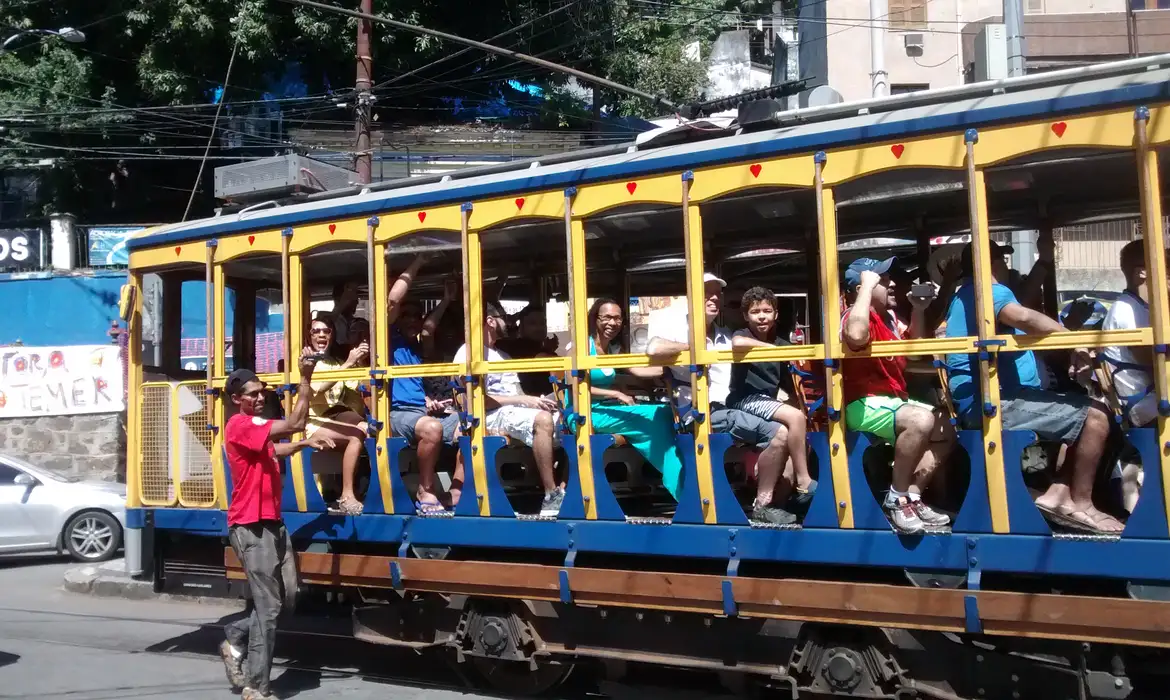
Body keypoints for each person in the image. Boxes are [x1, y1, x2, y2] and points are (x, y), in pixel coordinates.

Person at [943, 243, 1123, 534]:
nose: (1005, 266)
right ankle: (1081, 503)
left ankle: (1058, 495)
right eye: (1001, 259)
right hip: (994, 402)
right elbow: (1023, 317)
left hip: (995, 398)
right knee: (1096, 417)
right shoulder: (988, 291)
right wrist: (1071, 340)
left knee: (1086, 409)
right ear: (992, 263)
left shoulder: (964, 296)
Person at [220, 351, 332, 700]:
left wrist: (302, 444)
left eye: (260, 392)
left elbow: (274, 449)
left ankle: (236, 637)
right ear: (237, 399)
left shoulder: (256, 432)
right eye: (252, 393)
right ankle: (257, 686)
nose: (259, 397)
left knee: (288, 597)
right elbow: (296, 421)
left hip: (272, 523)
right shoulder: (240, 424)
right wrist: (305, 377)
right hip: (250, 526)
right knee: (268, 609)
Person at [647, 272, 799, 525]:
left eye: (717, 294)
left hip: (729, 408)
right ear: (691, 297)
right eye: (707, 293)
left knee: (792, 431)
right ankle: (764, 503)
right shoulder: (678, 329)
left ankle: (779, 497)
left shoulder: (723, 334)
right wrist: (693, 348)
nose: (714, 299)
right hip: (699, 411)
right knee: (780, 433)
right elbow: (653, 348)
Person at [841, 258, 954, 534]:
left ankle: (910, 497)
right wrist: (867, 287)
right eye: (882, 280)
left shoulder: (889, 319)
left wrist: (917, 310)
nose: (891, 284)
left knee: (945, 425)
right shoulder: (853, 316)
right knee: (920, 420)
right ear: (861, 287)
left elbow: (913, 352)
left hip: (890, 401)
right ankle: (895, 498)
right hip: (861, 403)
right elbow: (855, 335)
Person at [453, 301, 564, 516]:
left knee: (570, 419)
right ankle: (552, 494)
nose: (510, 322)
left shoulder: (503, 355)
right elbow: (472, 400)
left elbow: (518, 394)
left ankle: (568, 486)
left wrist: (539, 400)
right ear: (491, 321)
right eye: (505, 317)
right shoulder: (468, 352)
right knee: (541, 420)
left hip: (510, 412)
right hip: (487, 415)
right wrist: (525, 401)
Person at [585, 298, 685, 497]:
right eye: (606, 318)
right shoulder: (581, 347)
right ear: (595, 319)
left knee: (666, 413)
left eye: (617, 318)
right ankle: (677, 483)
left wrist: (672, 369)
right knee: (656, 416)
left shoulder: (612, 349)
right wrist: (615, 393)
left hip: (608, 409)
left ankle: (677, 475)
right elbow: (574, 386)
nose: (612, 323)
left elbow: (638, 370)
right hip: (586, 412)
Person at [386, 256, 463, 513]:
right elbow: (392, 301)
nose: (412, 321)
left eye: (416, 316)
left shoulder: (416, 347)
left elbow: (428, 328)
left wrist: (447, 300)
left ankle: (457, 489)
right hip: (397, 414)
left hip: (420, 410)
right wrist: (419, 260)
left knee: (471, 424)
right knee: (432, 429)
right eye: (406, 316)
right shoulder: (388, 340)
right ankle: (425, 489)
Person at [728, 286, 815, 496]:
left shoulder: (780, 342)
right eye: (755, 312)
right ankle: (805, 479)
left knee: (801, 428)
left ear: (775, 314)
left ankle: (783, 494)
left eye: (767, 311)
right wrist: (772, 350)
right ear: (745, 316)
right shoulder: (744, 335)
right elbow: (737, 343)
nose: (761, 317)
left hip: (766, 400)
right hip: (744, 399)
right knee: (795, 418)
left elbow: (787, 379)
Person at [304, 314, 370, 515]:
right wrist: (348, 364)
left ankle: (363, 490)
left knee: (371, 430)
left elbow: (355, 389)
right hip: (313, 421)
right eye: (316, 331)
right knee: (356, 434)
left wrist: (362, 362)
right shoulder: (307, 361)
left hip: (336, 417)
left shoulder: (335, 362)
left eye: (326, 331)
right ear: (309, 336)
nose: (322, 334)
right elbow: (319, 388)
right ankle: (346, 494)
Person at [1102, 238, 1168, 428]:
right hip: (1143, 402)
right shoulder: (1126, 310)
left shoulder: (1143, 307)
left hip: (1155, 393)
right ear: (1142, 272)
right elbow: (1155, 360)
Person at [496, 303, 560, 397]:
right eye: (532, 323)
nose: (539, 327)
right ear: (521, 327)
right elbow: (541, 358)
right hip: (533, 402)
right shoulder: (516, 346)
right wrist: (548, 351)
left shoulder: (541, 347)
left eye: (543, 323)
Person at [330, 280, 362, 353]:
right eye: (352, 300)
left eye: (356, 299)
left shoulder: (358, 323)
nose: (357, 302)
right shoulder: (328, 320)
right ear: (338, 299)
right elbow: (329, 321)